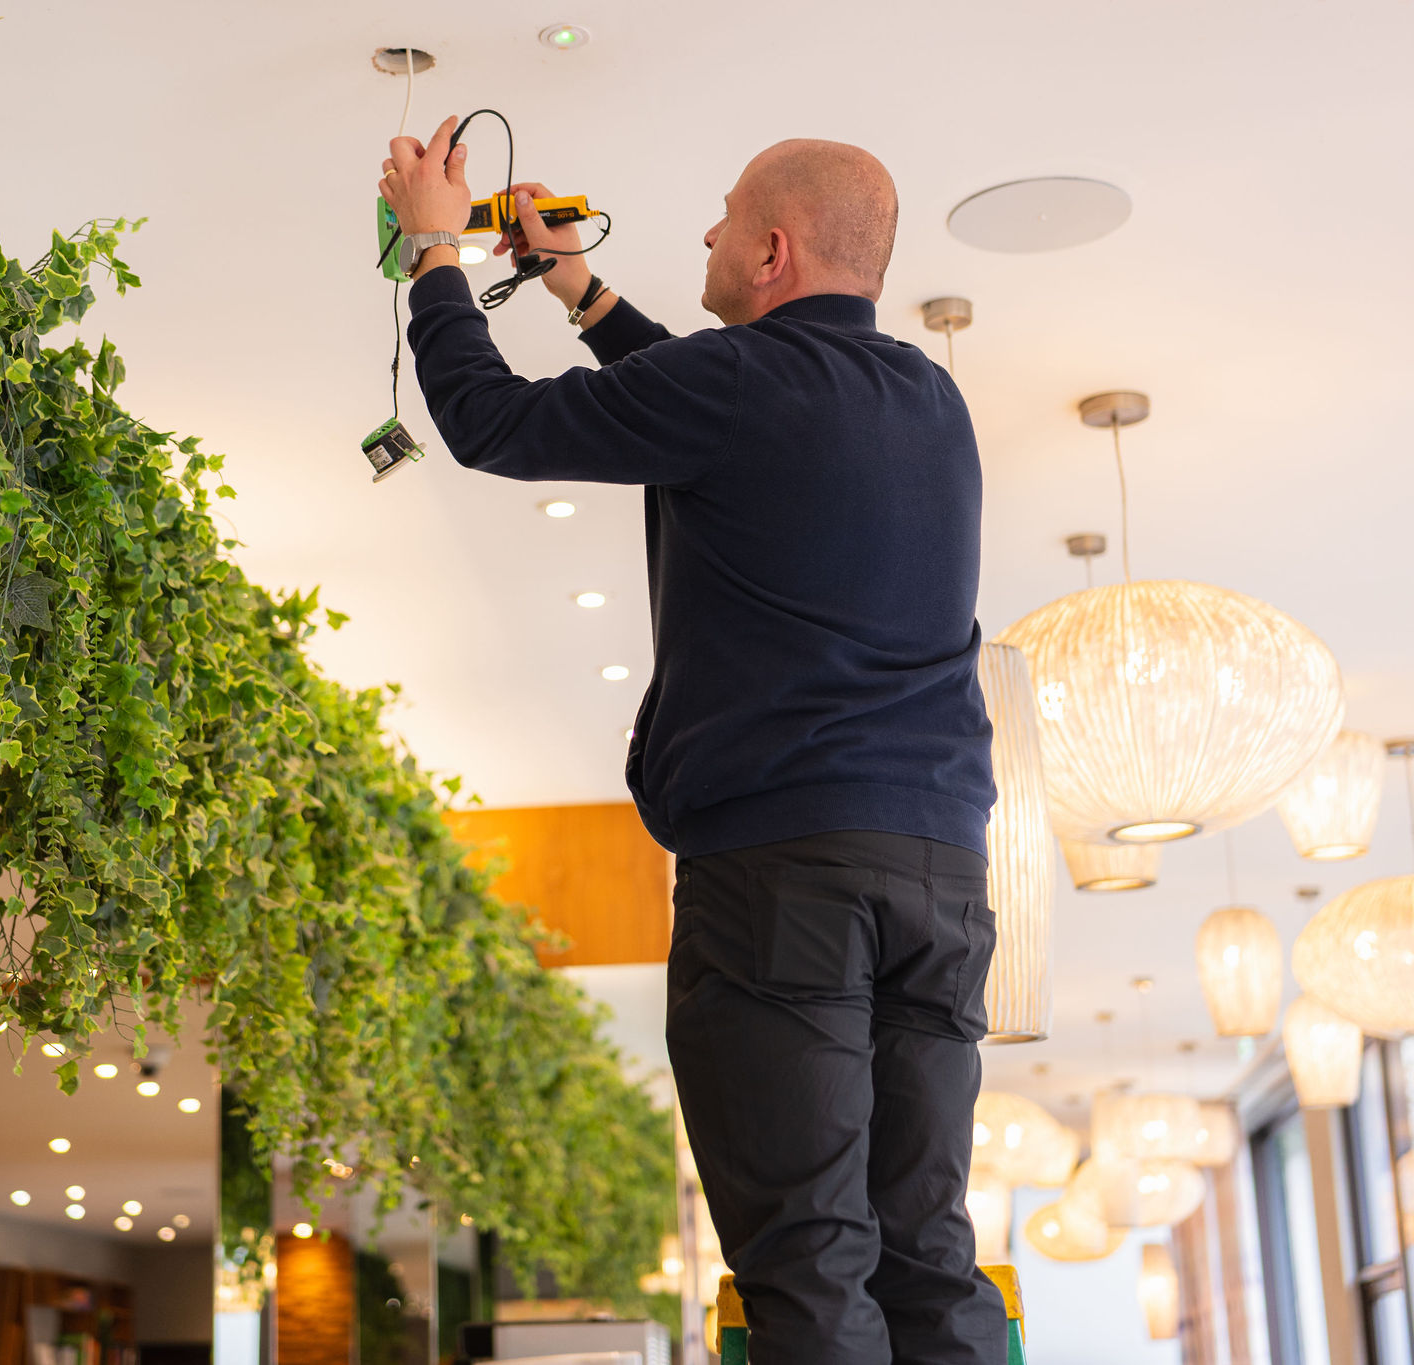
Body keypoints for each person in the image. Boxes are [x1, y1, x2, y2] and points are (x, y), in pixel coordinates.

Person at [378, 118, 1005, 1364]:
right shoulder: (926, 399)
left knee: (809, 1262)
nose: (705, 235)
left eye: (722, 219)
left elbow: (490, 423)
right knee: (922, 1248)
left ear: (770, 251)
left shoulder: (738, 388)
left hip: (782, 878)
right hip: (939, 871)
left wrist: (433, 251)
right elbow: (706, 401)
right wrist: (571, 282)